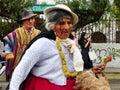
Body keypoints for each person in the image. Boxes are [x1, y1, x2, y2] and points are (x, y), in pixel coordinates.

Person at [8, 4, 105, 90]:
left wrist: (91, 71)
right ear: (52, 25)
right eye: (61, 23)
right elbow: (21, 70)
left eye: (69, 23)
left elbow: (72, 71)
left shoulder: (71, 44)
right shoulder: (42, 43)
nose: (66, 27)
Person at [1, 8, 41, 82]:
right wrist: (7, 52)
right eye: (28, 19)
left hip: (34, 66)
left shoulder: (39, 34)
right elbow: (9, 45)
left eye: (32, 18)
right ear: (23, 21)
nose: (31, 21)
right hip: (18, 64)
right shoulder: (16, 33)